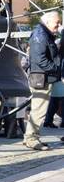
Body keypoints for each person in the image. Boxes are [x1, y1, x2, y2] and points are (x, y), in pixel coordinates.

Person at [23, 11, 62, 150]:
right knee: (39, 110)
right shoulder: (40, 35)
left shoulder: (45, 34)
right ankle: (31, 139)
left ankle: (32, 137)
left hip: (43, 77)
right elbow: (40, 60)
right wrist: (57, 69)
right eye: (57, 23)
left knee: (39, 110)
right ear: (47, 21)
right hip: (41, 78)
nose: (59, 25)